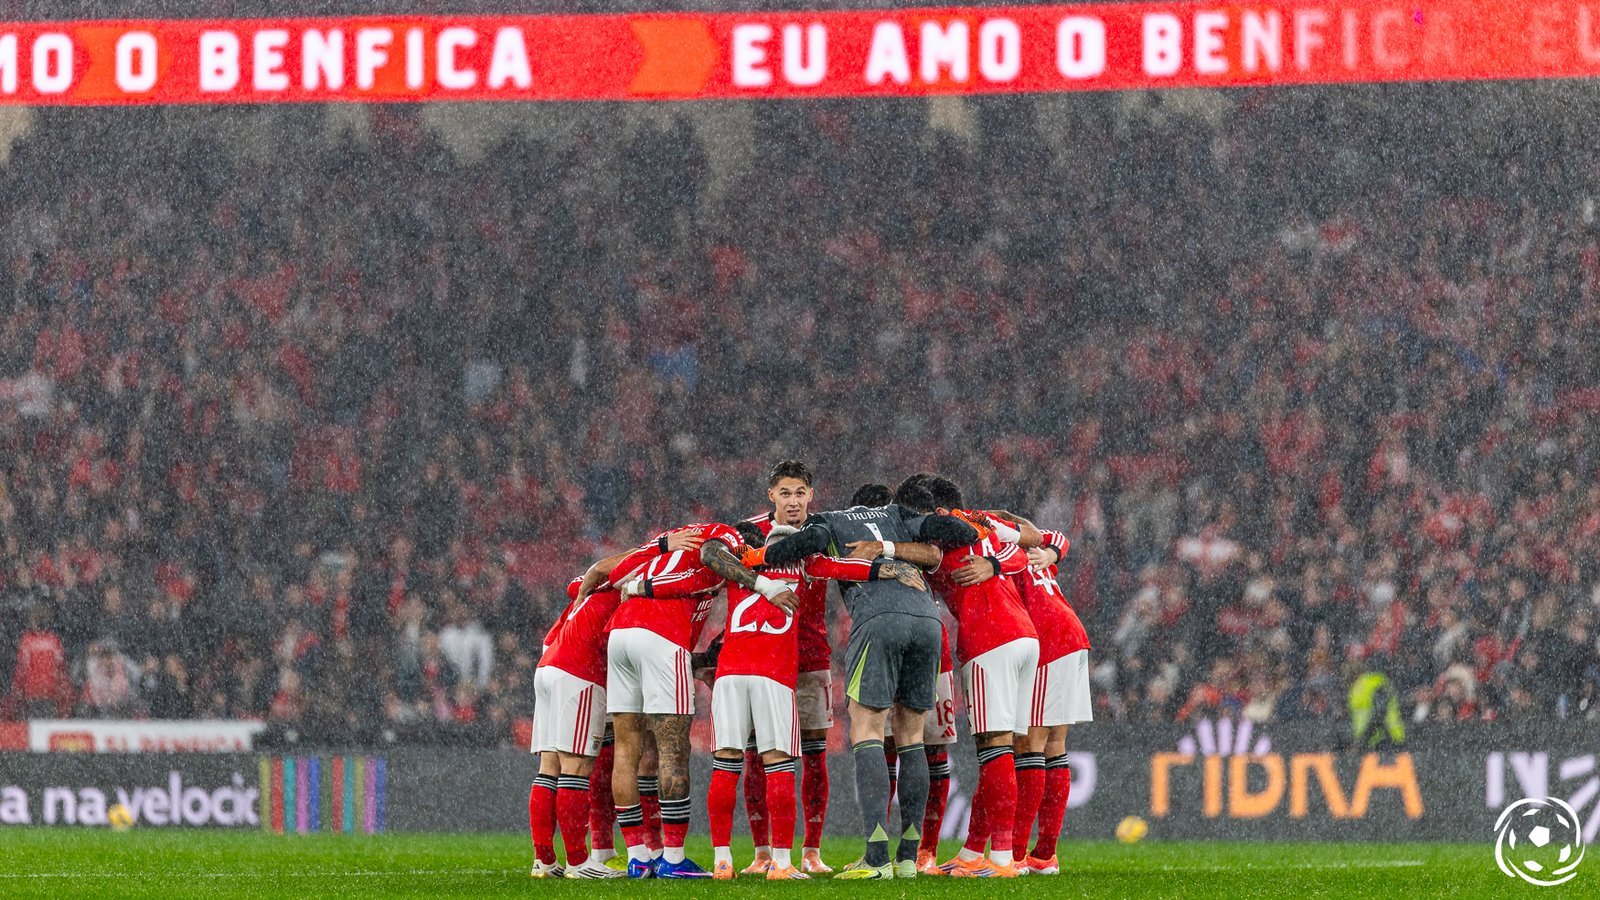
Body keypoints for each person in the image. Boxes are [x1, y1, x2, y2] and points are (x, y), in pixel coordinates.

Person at [755, 477, 979, 880]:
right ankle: (909, 857)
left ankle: (876, 857)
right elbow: (963, 533)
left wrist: (765, 556)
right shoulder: (900, 515)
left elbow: (791, 551)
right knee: (911, 736)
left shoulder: (830, 520)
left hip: (879, 619)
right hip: (928, 622)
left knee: (868, 730)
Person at [707, 522, 927, 880]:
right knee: (779, 766)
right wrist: (892, 567)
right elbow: (847, 568)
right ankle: (781, 863)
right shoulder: (805, 565)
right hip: (772, 674)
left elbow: (710, 555)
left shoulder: (740, 563)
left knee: (726, 765)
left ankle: (722, 860)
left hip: (729, 672)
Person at [603, 522, 799, 879]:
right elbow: (707, 567)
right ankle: (674, 860)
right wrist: (645, 587)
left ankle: (640, 855)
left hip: (619, 636)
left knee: (628, 750)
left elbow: (616, 574)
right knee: (671, 751)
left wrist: (651, 558)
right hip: (661, 637)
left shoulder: (674, 542)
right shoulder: (726, 542)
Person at [920, 476, 1039, 878]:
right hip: (1025, 635)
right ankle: (974, 852)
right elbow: (1029, 547)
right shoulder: (982, 523)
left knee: (994, 746)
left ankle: (1002, 858)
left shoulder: (938, 538)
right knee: (1002, 748)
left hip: (990, 639)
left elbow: (911, 549)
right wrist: (995, 563)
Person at [737, 460, 837, 874]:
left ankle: (811, 851)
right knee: (757, 756)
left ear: (811, 495)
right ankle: (762, 852)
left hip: (811, 655)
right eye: (785, 493)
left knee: (814, 755)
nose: (793, 501)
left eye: (800, 493)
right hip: (763, 656)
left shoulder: (824, 533)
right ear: (771, 495)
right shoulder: (748, 532)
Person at [1009, 524, 1091, 876]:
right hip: (1072, 634)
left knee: (1031, 744)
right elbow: (1058, 536)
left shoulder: (1005, 554)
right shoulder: (1034, 551)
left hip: (1049, 637)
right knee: (1055, 746)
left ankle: (1013, 855)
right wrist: (1053, 552)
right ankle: (1044, 855)